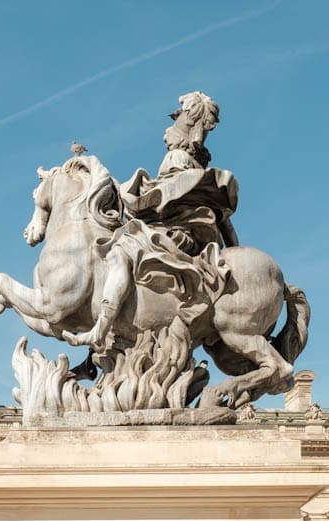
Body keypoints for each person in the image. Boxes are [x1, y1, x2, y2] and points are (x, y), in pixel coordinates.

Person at [63, 92, 238, 350]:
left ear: (184, 131)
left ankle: (100, 329)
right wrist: (233, 250)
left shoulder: (176, 159)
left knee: (120, 250)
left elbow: (161, 197)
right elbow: (224, 221)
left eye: (175, 121)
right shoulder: (195, 166)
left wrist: (128, 192)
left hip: (177, 234)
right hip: (193, 237)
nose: (166, 132)